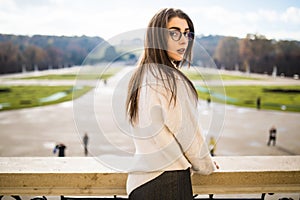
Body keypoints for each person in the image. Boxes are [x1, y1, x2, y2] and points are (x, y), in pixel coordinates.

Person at [126, 8, 218, 199]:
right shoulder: (170, 80)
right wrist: (206, 165)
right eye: (174, 33)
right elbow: (189, 135)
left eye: (187, 33)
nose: (183, 40)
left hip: (139, 184)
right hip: (167, 183)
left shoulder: (140, 75)